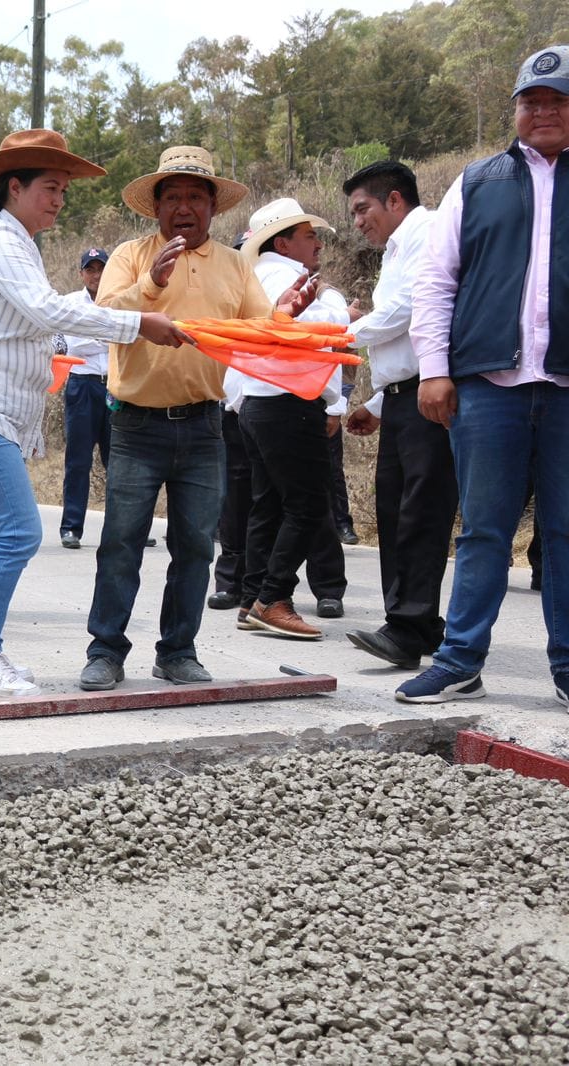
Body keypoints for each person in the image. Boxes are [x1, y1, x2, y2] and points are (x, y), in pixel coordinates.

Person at [0, 131, 185, 699]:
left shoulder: (13, 240)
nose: (60, 199)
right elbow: (47, 310)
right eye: (51, 188)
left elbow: (39, 320)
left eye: (64, 189)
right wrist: (139, 324)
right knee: (18, 531)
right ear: (15, 187)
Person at [80, 145, 316, 691]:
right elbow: (101, 318)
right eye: (173, 198)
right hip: (135, 427)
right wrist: (152, 285)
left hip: (206, 426)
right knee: (120, 543)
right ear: (155, 207)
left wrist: (283, 317)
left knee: (194, 547)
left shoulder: (236, 265)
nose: (184, 208)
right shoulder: (130, 255)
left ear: (213, 207)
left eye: (195, 198)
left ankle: (178, 651)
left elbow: (260, 333)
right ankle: (105, 650)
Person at [398, 45, 569, 706]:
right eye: (534, 100)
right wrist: (434, 371)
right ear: (517, 109)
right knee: (483, 530)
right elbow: (436, 283)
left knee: (564, 531)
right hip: (487, 387)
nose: (545, 111)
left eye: (558, 100)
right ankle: (461, 657)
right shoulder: (477, 181)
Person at [339, 161, 453, 670]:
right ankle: (420, 624)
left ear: (395, 201)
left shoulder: (427, 232)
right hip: (404, 397)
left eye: (362, 209)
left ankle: (407, 627)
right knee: (394, 509)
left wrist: (338, 336)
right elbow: (405, 340)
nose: (357, 222)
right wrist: (381, 403)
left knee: (420, 513)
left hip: (431, 398)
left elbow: (411, 309)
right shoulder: (397, 248)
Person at [233, 197, 350, 639]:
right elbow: (323, 326)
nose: (317, 243)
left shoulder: (254, 276)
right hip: (290, 401)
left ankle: (251, 596)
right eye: (308, 235)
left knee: (268, 505)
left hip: (260, 402)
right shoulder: (288, 277)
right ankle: (273, 598)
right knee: (307, 505)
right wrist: (339, 301)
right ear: (282, 243)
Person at [57, 246, 114, 550]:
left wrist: (98, 337)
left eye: (101, 268)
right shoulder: (69, 303)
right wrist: (103, 338)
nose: (96, 275)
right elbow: (73, 343)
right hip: (82, 386)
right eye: (90, 269)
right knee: (78, 459)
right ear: (81, 273)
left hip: (113, 386)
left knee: (118, 460)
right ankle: (71, 527)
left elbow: (121, 340)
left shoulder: (118, 301)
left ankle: (127, 527)